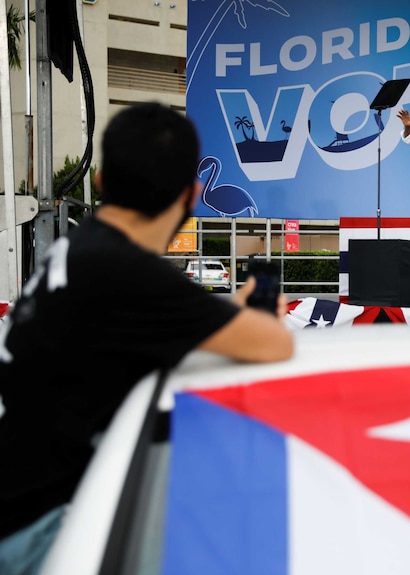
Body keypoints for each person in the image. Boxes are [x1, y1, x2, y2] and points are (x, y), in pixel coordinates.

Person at [0, 103, 295, 574]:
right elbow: (275, 344)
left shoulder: (79, 249)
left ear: (100, 182)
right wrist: (250, 319)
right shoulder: (128, 272)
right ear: (191, 194)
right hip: (41, 532)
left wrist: (225, 315)